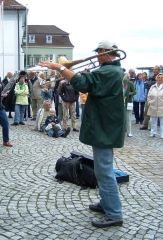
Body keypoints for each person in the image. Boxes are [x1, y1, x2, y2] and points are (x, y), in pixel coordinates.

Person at [39, 40, 125, 228]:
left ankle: (114, 213)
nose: (96, 55)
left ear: (104, 52)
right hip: (104, 125)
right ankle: (106, 203)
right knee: (102, 169)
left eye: (98, 52)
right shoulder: (110, 71)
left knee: (104, 171)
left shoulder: (108, 71)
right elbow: (88, 82)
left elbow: (81, 83)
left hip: (104, 127)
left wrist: (60, 67)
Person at [140, 65, 160, 130]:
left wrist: (151, 84)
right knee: (146, 111)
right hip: (149, 97)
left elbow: (157, 84)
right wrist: (152, 84)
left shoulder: (161, 77)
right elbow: (146, 85)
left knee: (155, 112)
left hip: (158, 97)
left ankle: (154, 125)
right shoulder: (151, 77)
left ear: (158, 70)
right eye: (153, 69)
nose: (154, 70)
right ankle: (145, 124)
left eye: (155, 69)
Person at [147, 73, 163, 138]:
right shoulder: (152, 86)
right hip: (153, 106)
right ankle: (153, 132)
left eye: (161, 77)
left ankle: (162, 133)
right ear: (156, 78)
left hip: (162, 106)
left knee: (162, 121)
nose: (160, 79)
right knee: (153, 120)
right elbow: (149, 95)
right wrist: (150, 102)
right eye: (159, 77)